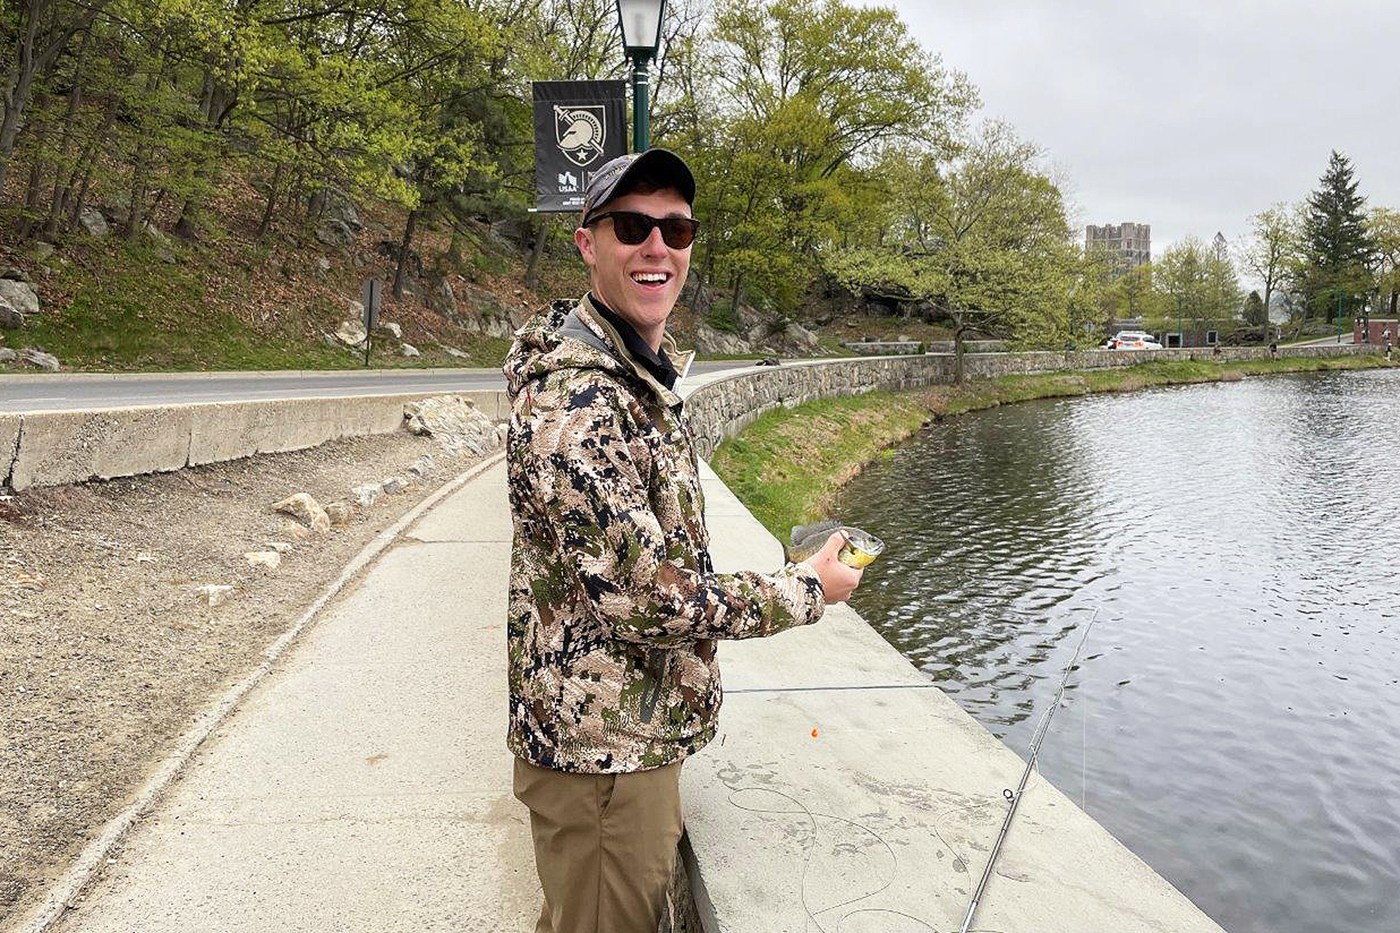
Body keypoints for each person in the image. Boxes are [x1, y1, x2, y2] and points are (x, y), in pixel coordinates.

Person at [501, 148, 862, 933]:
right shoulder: (582, 400)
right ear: (588, 242)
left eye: (677, 227)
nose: (658, 246)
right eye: (633, 226)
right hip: (602, 762)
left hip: (624, 745)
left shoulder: (634, 371)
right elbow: (646, 595)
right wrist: (804, 588)